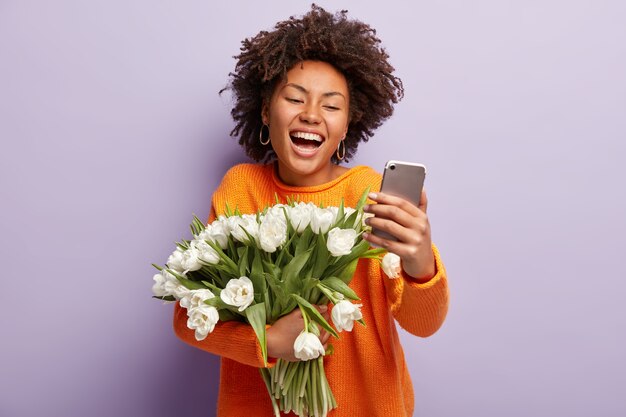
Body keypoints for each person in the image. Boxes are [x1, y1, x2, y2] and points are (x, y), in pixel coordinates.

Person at [173, 5, 449, 416]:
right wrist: (265, 341)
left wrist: (419, 260)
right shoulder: (242, 188)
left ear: (347, 125)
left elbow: (424, 324)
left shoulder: (369, 193)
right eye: (294, 98)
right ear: (266, 111)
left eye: (331, 106)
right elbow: (187, 319)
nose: (311, 115)